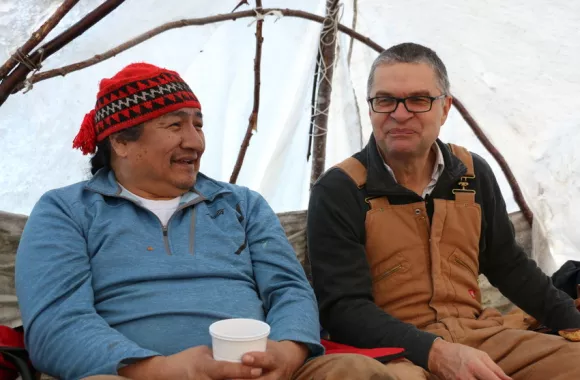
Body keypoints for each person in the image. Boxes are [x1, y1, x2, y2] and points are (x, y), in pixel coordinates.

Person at [15, 63, 397, 380]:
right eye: (175, 125)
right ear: (121, 142)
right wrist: (161, 369)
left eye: (198, 125)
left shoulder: (241, 204)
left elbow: (289, 291)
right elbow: (56, 324)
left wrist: (287, 352)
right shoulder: (66, 211)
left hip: (258, 373)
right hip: (136, 375)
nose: (195, 142)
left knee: (356, 372)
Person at [307, 42, 580, 380]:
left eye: (419, 100)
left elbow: (509, 265)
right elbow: (344, 310)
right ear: (371, 109)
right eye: (385, 100)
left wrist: (571, 319)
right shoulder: (340, 189)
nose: (400, 113)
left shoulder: (471, 174)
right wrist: (436, 353)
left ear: (445, 108)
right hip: (392, 356)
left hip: (482, 341)